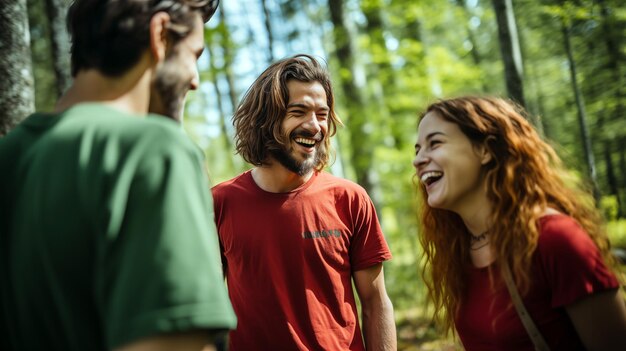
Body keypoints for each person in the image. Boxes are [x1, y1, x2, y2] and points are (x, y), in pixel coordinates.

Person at [0, 1, 236, 350]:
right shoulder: (153, 151)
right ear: (159, 36)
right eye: (194, 55)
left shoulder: (10, 156)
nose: (196, 80)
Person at [212, 54, 396, 350]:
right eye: (298, 111)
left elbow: (375, 303)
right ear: (266, 118)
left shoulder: (349, 199)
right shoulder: (220, 203)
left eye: (321, 114)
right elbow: (205, 306)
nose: (314, 126)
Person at [413, 96, 626, 350]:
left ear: (485, 150)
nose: (418, 160)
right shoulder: (460, 251)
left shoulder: (554, 238)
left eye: (434, 143)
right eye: (417, 150)